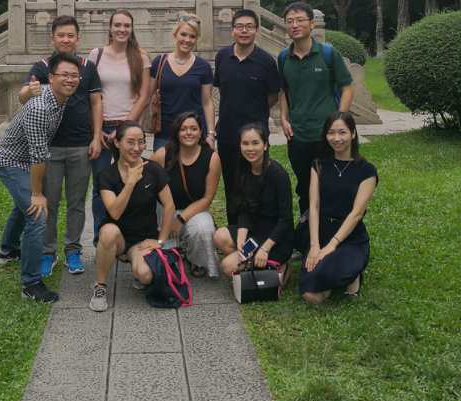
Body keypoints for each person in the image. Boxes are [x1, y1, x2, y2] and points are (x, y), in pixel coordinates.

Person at [18, 15, 102, 278]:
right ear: (52, 38)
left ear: (78, 38)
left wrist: (96, 137)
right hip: (49, 147)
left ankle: (73, 249)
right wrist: (28, 91)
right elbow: (22, 96)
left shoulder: (87, 68)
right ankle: (48, 252)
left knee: (76, 202)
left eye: (71, 35)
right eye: (61, 35)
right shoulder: (42, 67)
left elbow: (96, 103)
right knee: (50, 202)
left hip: (80, 145)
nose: (66, 39)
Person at [0, 52, 80, 302]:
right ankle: (30, 284)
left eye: (75, 75)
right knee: (36, 214)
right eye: (64, 75)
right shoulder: (41, 107)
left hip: (24, 159)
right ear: (51, 78)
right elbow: (38, 155)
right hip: (11, 162)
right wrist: (37, 193)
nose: (70, 79)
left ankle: (7, 251)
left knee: (22, 208)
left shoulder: (57, 96)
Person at [89, 121, 175, 311]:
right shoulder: (106, 175)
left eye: (141, 142)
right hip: (118, 236)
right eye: (130, 142)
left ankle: (136, 265)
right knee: (108, 232)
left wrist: (161, 241)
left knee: (145, 275)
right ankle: (100, 285)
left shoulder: (153, 169)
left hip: (143, 239)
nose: (136, 148)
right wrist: (130, 183)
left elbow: (169, 206)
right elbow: (115, 212)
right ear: (117, 143)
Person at [278, 1, 353, 218]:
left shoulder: (328, 54)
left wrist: (339, 119)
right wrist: (283, 118)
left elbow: (347, 88)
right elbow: (284, 90)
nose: (294, 25)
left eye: (300, 20)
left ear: (311, 24)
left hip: (326, 135)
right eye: (290, 21)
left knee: (329, 184)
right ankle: (307, 229)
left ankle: (332, 227)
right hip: (297, 135)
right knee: (304, 186)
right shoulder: (283, 57)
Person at [298, 111, 378, 304]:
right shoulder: (319, 165)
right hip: (322, 231)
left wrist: (331, 246)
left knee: (328, 269)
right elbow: (314, 206)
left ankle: (353, 275)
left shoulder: (366, 171)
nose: (336, 138)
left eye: (342, 132)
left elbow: (356, 214)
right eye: (331, 133)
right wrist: (315, 245)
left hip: (350, 236)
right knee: (310, 295)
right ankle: (336, 276)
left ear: (353, 133)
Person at [88, 10, 151, 243]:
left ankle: (130, 237)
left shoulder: (141, 57)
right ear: (110, 28)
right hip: (101, 129)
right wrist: (96, 132)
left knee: (132, 182)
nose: (122, 29)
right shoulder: (97, 54)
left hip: (129, 130)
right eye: (117, 25)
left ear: (132, 29)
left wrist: (124, 128)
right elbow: (91, 94)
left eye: (126, 26)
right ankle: (101, 238)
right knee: (100, 186)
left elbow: (144, 96)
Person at [214, 9, 280, 224]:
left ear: (256, 31)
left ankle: (257, 228)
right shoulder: (222, 57)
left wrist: (255, 112)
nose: (244, 30)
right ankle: (234, 227)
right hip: (227, 133)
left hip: (256, 135)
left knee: (257, 182)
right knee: (231, 184)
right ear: (232, 30)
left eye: (249, 26)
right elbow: (223, 88)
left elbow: (273, 95)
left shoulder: (266, 61)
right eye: (240, 26)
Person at [214, 123, 294, 283]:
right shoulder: (244, 170)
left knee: (227, 266)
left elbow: (286, 219)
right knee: (219, 236)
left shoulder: (278, 175)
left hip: (276, 238)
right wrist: (241, 241)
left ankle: (280, 267)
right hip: (255, 232)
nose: (250, 148)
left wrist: (265, 248)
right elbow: (244, 209)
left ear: (265, 145)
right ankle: (254, 264)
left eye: (255, 143)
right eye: (245, 143)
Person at [149, 112, 221, 277]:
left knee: (203, 229)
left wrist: (180, 219)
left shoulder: (211, 158)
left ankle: (197, 260)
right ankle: (174, 250)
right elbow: (146, 185)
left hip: (194, 210)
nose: (189, 133)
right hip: (164, 210)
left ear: (200, 132)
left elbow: (207, 198)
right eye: (183, 129)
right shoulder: (162, 154)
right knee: (163, 267)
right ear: (177, 132)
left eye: (193, 129)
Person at [149, 14, 215, 152]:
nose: (187, 40)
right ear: (175, 34)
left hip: (195, 133)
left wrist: (210, 135)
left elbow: (207, 102)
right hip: (165, 133)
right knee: (162, 166)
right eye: (183, 34)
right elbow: (147, 96)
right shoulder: (159, 63)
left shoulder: (203, 66)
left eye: (192, 36)